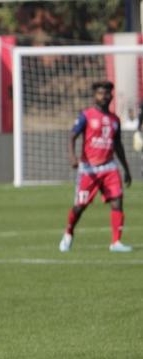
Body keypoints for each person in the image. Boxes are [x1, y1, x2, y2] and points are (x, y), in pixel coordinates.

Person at [62, 80, 132, 253]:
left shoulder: (115, 119)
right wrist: (72, 157)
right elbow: (72, 136)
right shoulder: (86, 115)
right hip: (89, 169)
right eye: (101, 93)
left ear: (111, 96)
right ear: (95, 96)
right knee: (80, 206)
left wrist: (126, 169)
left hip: (109, 167)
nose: (104, 96)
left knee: (117, 201)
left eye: (107, 93)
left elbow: (118, 145)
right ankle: (69, 232)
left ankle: (116, 242)